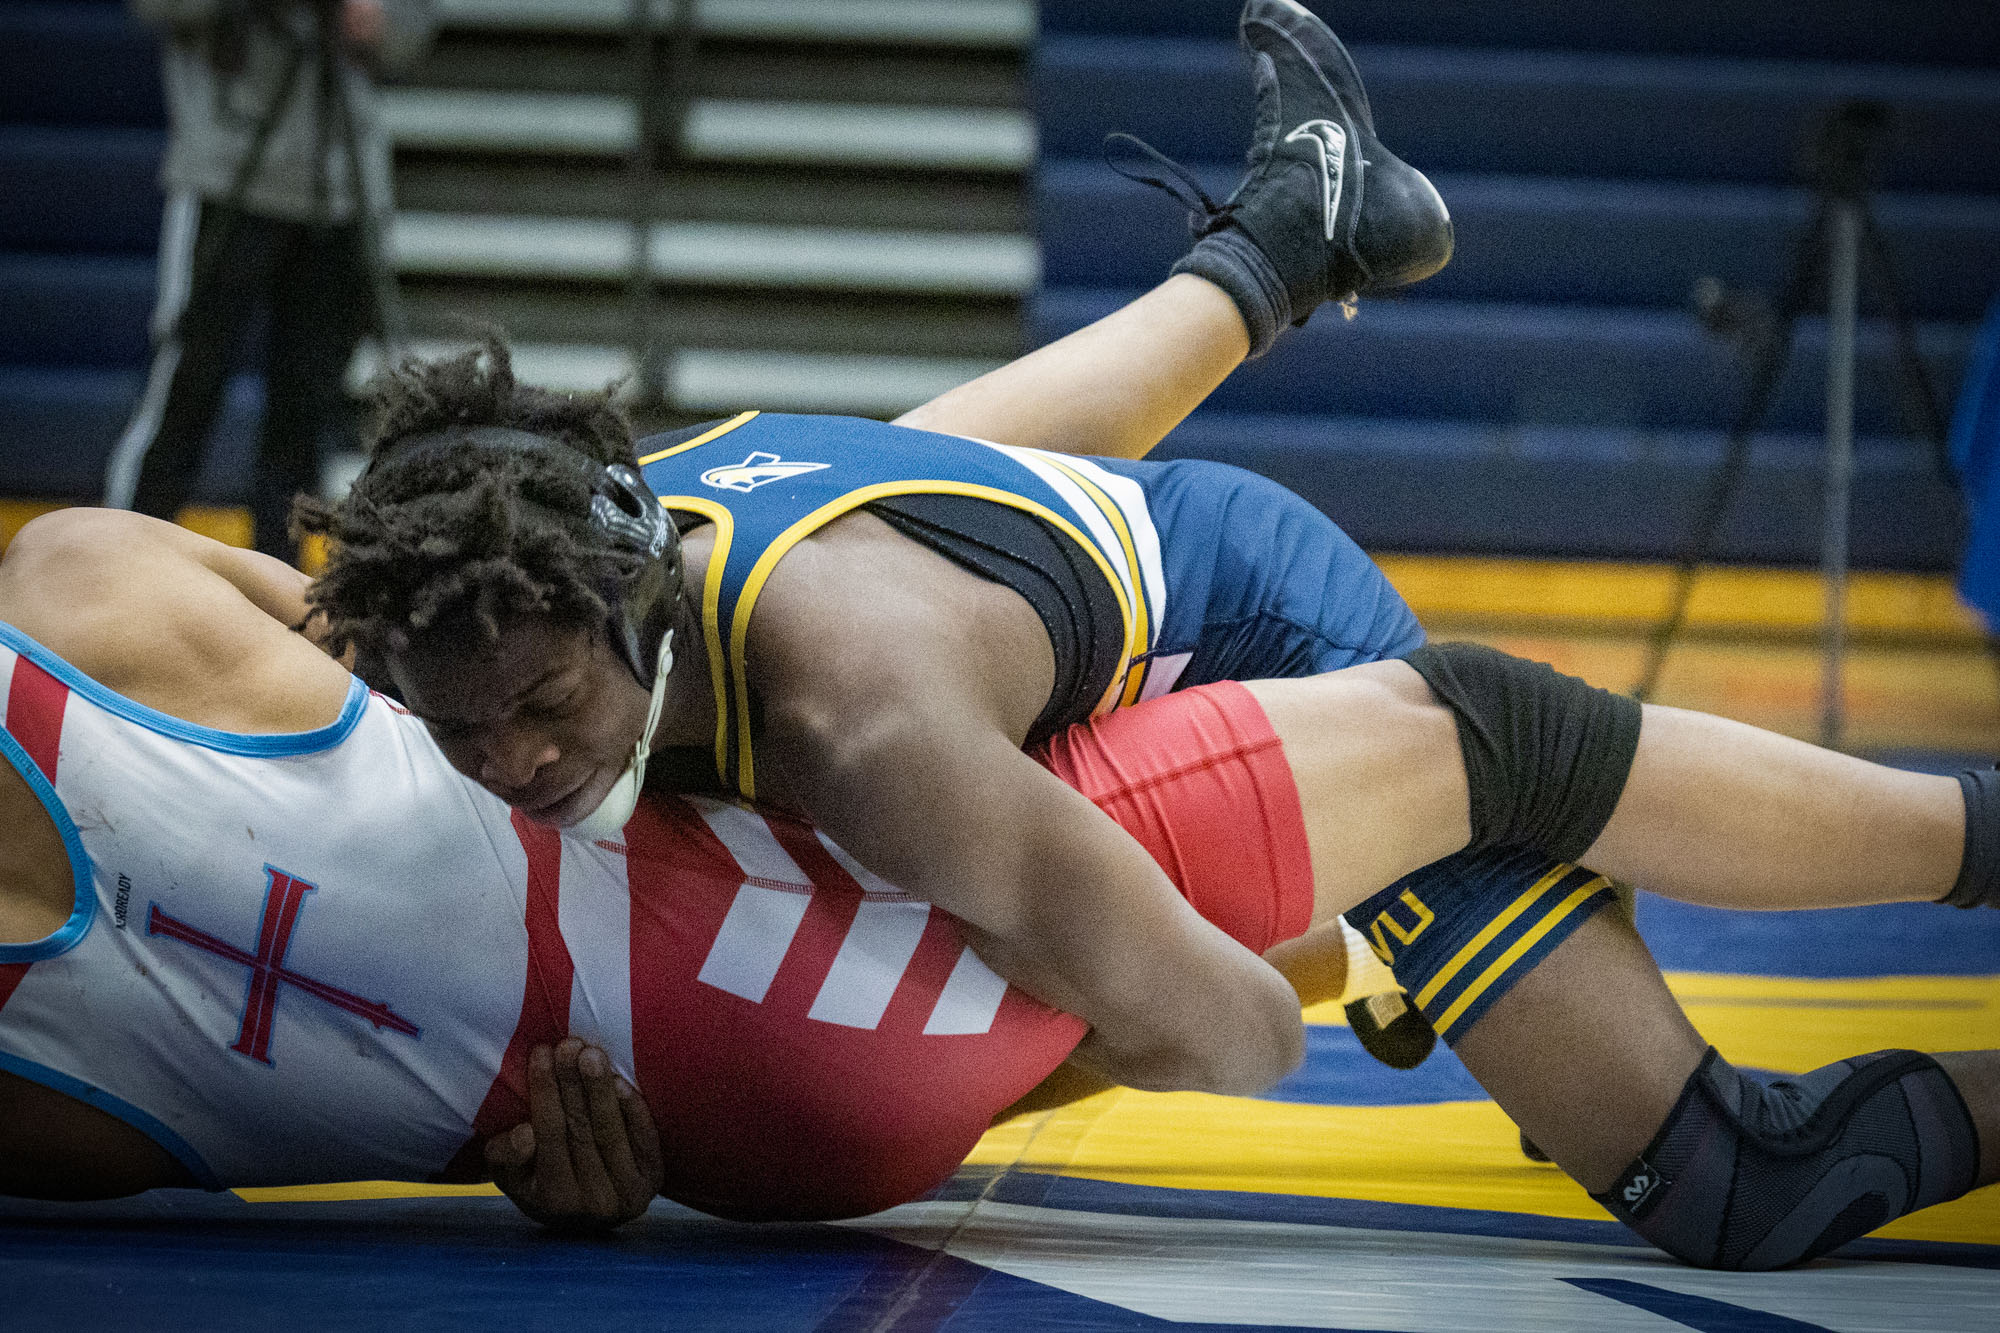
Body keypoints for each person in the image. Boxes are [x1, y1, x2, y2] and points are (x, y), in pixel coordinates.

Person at [0, 506, 1991, 1272]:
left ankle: (1368, 933)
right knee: (1467, 740)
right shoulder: (87, 589)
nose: (512, 746)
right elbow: (1226, 1034)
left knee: (1738, 1183)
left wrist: (552, 1184)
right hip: (818, 919)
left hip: (775, 1125)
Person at [290, 0, 1463, 1088]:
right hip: (919, 593)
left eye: (542, 699)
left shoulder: (848, 721)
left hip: (1149, 645)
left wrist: (1334, 960)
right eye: (463, 726)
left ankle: (1389, 937)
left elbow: (1224, 1029)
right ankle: (1276, 247)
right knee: (896, 485)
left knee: (945, 971)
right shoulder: (460, 622)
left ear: (626, 601)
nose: (509, 759)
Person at [103, 0, 435, 565]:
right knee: (184, 391)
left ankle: (280, 594)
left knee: (305, 421)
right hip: (227, 173)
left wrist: (375, 20)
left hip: (343, 190)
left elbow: (412, 27)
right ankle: (115, 566)